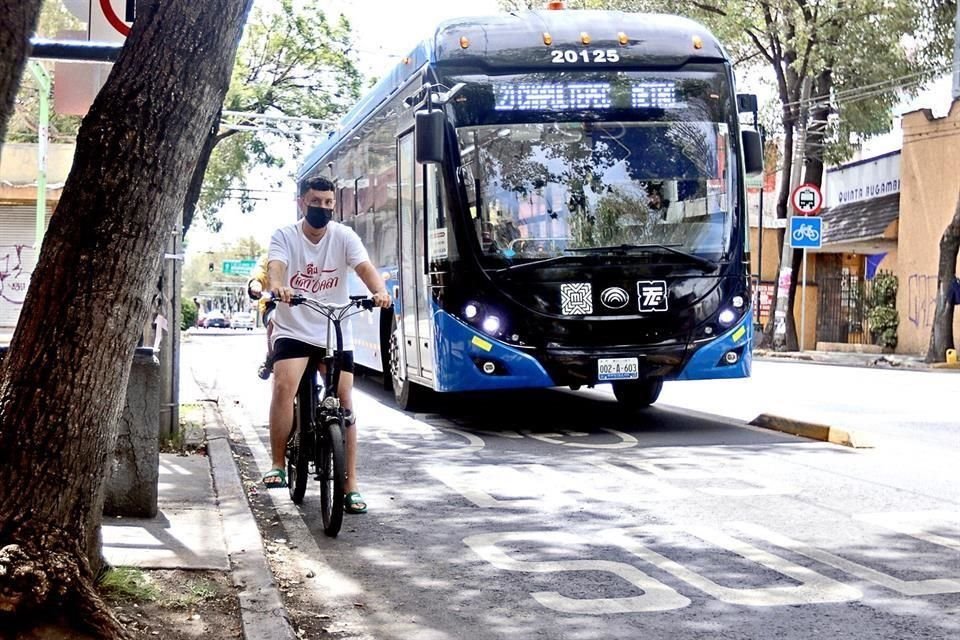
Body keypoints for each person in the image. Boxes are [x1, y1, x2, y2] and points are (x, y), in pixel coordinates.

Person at [263, 176, 391, 515]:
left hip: (334, 327)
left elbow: (364, 267)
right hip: (294, 325)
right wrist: (279, 288)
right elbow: (276, 267)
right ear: (302, 203)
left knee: (345, 400)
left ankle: (350, 485)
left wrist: (380, 292)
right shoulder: (285, 236)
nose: (322, 208)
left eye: (328, 203)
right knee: (284, 386)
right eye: (316, 201)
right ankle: (277, 463)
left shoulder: (344, 236)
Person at [247, 256, 276, 379]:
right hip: (275, 304)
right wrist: (256, 285)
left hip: (311, 308)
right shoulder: (271, 256)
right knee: (275, 319)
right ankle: (271, 358)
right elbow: (259, 275)